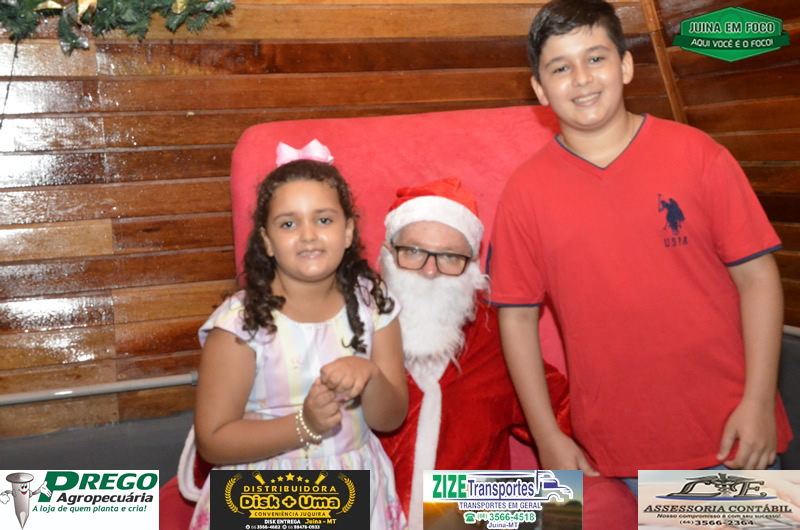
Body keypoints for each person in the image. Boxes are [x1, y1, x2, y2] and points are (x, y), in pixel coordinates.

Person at [486, 0, 793, 523]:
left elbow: (759, 278)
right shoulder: (523, 193)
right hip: (609, 453)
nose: (582, 79)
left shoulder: (700, 155)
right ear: (539, 89)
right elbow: (515, 318)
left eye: (596, 58)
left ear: (626, 66)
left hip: (729, 440)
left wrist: (760, 402)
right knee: (452, 509)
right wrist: (548, 436)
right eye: (560, 67)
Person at [186, 142, 408, 529]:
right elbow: (213, 440)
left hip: (358, 485)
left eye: (323, 220)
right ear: (267, 241)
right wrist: (304, 424)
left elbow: (391, 419)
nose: (308, 235)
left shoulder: (374, 304)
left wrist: (370, 375)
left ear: (348, 231)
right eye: (288, 224)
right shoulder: (241, 324)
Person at [374, 178, 571, 528]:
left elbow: (570, 417)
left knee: (578, 506)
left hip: (465, 516)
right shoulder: (346, 324)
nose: (430, 271)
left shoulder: (495, 335)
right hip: (365, 508)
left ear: (472, 264)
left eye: (450, 256)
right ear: (388, 253)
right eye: (414, 252)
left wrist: (462, 509)